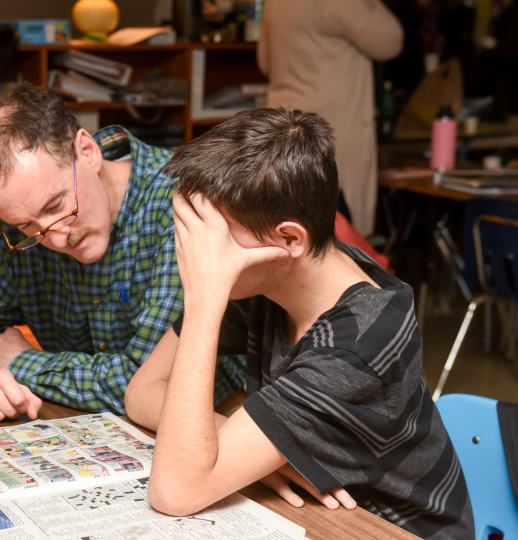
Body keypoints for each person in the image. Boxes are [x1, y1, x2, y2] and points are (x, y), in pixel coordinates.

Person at [124, 108, 473, 538]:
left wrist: (204, 295)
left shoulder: (356, 348)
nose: (196, 251)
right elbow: (141, 391)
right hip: (319, 517)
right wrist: (232, 444)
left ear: (289, 239)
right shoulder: (277, 272)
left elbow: (176, 491)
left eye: (213, 236)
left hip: (385, 531)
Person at [0, 82, 199, 424]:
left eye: (57, 205)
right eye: (26, 226)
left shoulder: (185, 203)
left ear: (87, 151)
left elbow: (151, 386)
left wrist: (22, 363)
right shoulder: (17, 218)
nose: (55, 238)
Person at [257, 0, 404, 236]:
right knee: (337, 235)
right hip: (330, 131)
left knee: (285, 226)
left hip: (281, 127)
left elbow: (265, 61)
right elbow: (390, 40)